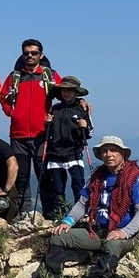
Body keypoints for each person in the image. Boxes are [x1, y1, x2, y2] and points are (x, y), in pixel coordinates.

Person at [42, 136, 139, 278]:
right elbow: (82, 203)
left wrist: (124, 232)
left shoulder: (134, 178)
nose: (109, 154)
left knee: (112, 246)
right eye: (105, 151)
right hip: (99, 231)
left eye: (113, 150)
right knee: (58, 237)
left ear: (122, 154)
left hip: (127, 233)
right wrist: (68, 221)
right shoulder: (97, 177)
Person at [0, 39, 62, 218]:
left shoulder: (49, 75)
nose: (30, 56)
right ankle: (23, 213)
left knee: (44, 175)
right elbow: (3, 96)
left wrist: (81, 101)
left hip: (42, 134)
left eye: (34, 53)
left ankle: (50, 214)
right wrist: (11, 112)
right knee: (21, 177)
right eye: (26, 53)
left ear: (41, 55)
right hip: (18, 135)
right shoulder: (15, 76)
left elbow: (66, 94)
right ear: (22, 54)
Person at [43, 76, 93, 218]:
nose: (67, 93)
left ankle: (80, 215)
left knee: (78, 186)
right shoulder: (55, 109)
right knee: (58, 189)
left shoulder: (81, 109)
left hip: (74, 155)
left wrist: (86, 126)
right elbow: (48, 131)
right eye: (64, 90)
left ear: (76, 92)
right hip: (55, 155)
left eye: (70, 90)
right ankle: (60, 215)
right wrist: (47, 123)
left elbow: (90, 132)